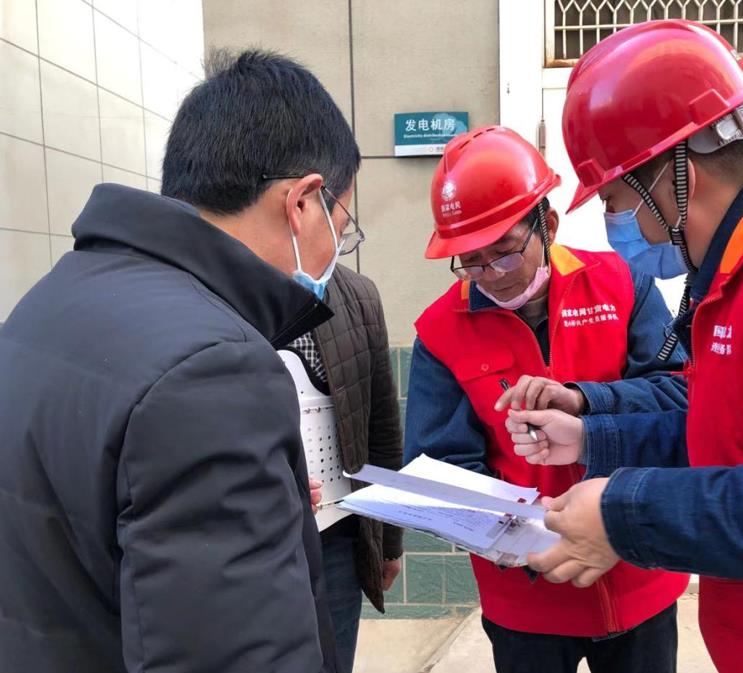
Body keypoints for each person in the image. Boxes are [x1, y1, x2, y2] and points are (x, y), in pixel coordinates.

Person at [507, 19, 743, 673]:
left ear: (676, 172)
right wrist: (591, 437)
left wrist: (625, 512)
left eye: (615, 200)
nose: (621, 227)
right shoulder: (738, 273)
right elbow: (727, 431)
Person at [0, 50, 361, 673]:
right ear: (303, 202)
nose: (338, 251)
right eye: (343, 226)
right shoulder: (215, 369)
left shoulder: (48, 300)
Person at [404, 125, 689, 673]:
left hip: (637, 574)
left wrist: (585, 400)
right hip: (526, 599)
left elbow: (678, 396)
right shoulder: (441, 331)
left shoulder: (621, 283)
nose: (491, 275)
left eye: (505, 252)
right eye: (470, 260)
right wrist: (531, 535)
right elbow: (441, 466)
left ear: (548, 226)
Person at [285, 255, 404, 673]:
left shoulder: (357, 294)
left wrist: (389, 541)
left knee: (333, 660)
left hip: (337, 533)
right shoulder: (217, 287)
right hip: (254, 536)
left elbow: (381, 425)